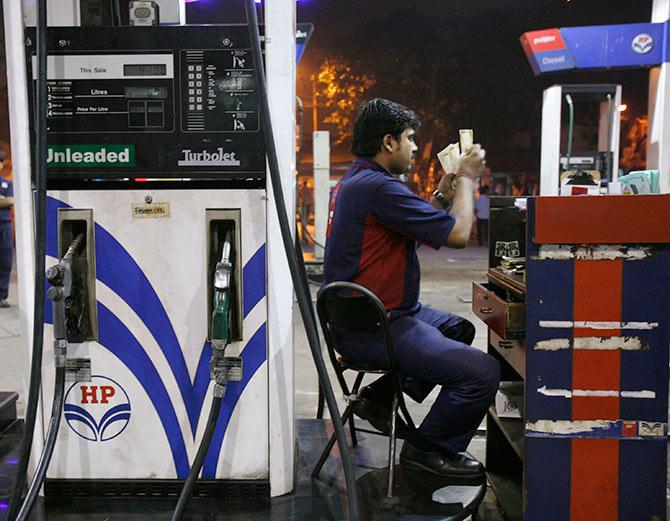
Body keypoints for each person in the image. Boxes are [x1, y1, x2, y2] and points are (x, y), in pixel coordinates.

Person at [323, 99, 500, 484]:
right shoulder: (378, 187)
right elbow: (457, 235)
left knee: (458, 329)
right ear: (389, 142)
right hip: (374, 327)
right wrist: (468, 180)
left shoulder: (357, 180)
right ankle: (427, 450)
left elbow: (406, 230)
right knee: (483, 373)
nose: (416, 147)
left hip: (374, 317)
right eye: (409, 138)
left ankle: (380, 397)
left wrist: (440, 194)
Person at [0, 152, 13, 308]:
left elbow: (11, 200)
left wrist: (5, 200)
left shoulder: (7, 183)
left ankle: (2, 296)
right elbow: (6, 200)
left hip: (4, 225)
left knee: (5, 260)